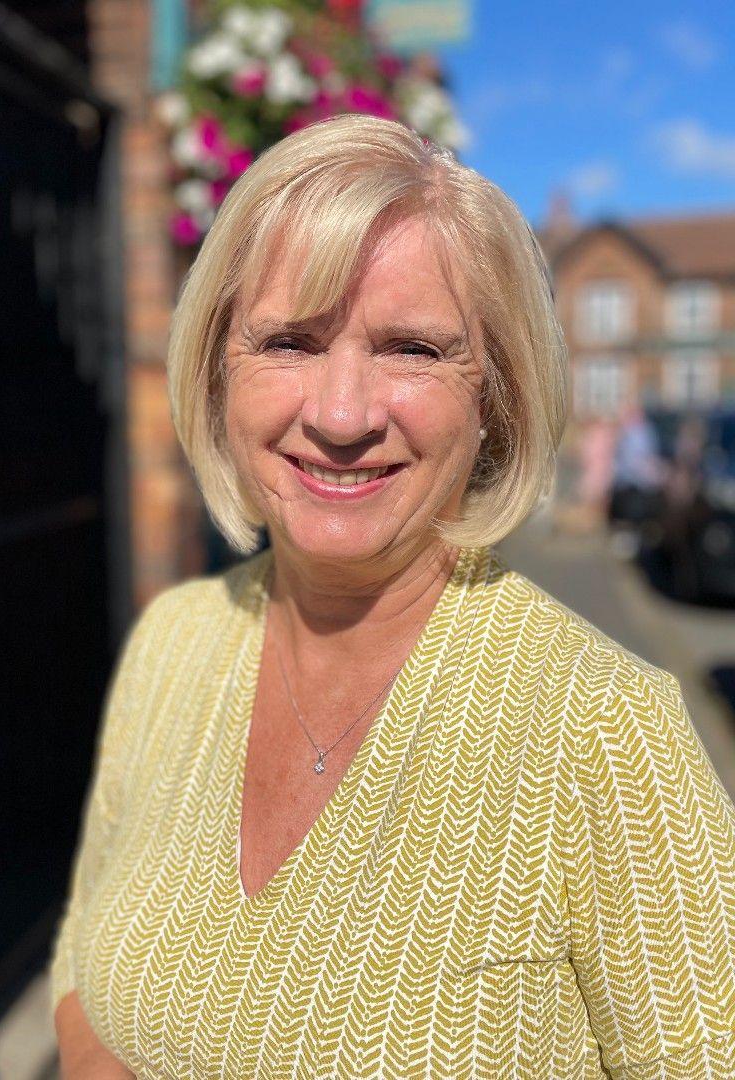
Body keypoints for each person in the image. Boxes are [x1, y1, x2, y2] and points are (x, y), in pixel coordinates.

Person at [52, 115, 735, 1076]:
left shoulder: (606, 734)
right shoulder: (174, 640)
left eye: (411, 349)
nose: (339, 415)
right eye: (288, 341)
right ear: (216, 371)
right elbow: (80, 965)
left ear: (494, 394)